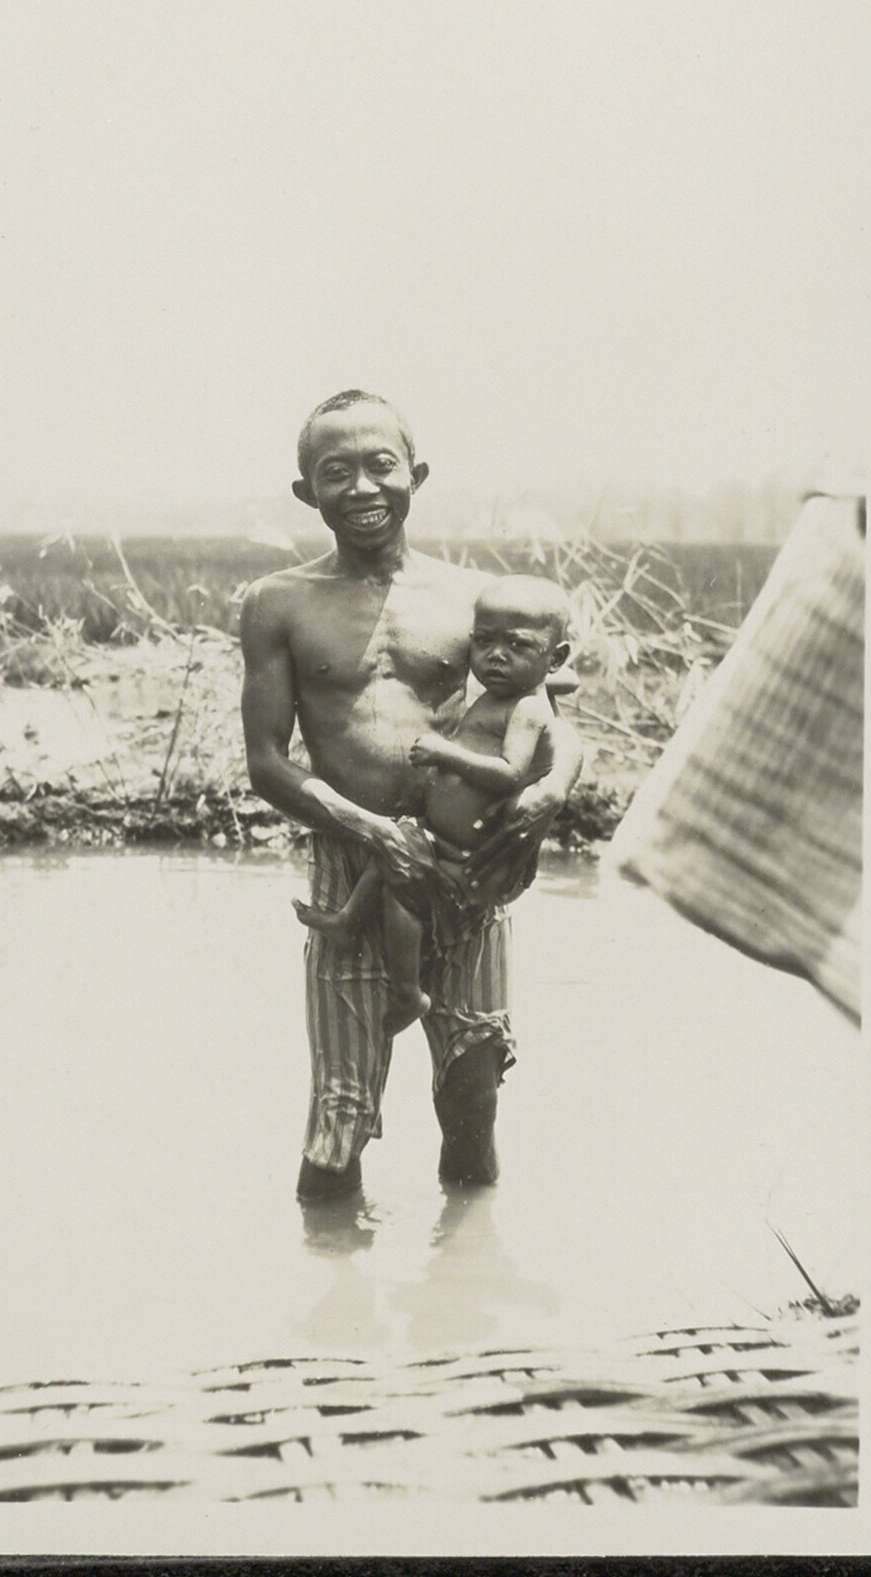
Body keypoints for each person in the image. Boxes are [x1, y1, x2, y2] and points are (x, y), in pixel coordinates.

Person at [240, 390, 584, 1199]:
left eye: (380, 465)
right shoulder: (277, 603)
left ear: (415, 476)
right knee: (339, 1113)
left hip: (470, 862)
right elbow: (266, 762)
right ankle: (331, 1267)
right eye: (337, 472)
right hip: (352, 866)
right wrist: (374, 830)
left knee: (474, 1095)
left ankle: (467, 1271)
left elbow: (555, 724)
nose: (362, 487)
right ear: (307, 492)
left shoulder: (480, 601)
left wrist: (547, 801)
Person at [291, 573, 571, 1036]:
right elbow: (556, 676)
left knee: (402, 894)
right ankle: (348, 921)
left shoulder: (527, 708)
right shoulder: (504, 694)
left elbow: (510, 772)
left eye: (517, 646)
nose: (496, 656)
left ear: (554, 658)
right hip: (440, 842)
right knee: (394, 851)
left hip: (469, 859)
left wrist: (445, 754)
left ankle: (408, 992)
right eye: (483, 642)